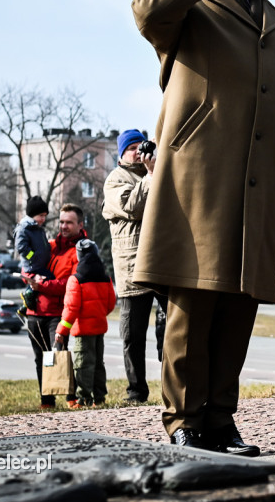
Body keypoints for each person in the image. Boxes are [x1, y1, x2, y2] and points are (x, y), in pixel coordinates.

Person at [131, 0, 275, 455]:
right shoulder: (188, 10)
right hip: (197, 187)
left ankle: (221, 419)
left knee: (238, 308)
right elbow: (144, 7)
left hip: (258, 190)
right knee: (191, 307)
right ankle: (183, 420)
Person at [102, 128, 166, 403]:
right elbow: (131, 206)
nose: (139, 152)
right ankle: (136, 391)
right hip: (133, 268)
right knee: (133, 335)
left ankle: (172, 388)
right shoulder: (116, 179)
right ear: (121, 155)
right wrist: (151, 175)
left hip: (164, 262)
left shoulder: (160, 171)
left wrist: (156, 169)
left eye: (143, 147)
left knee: (170, 331)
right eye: (133, 148)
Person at [22, 204, 86, 408]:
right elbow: (28, 267)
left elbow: (71, 283)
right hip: (35, 312)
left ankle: (71, 398)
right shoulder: (47, 246)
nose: (64, 226)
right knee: (40, 359)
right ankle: (46, 401)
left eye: (69, 222)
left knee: (59, 355)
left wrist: (42, 285)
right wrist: (31, 278)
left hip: (58, 313)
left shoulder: (81, 250)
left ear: (80, 224)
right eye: (61, 222)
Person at [55, 239, 116, 407]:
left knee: (83, 364)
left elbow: (71, 309)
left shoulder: (76, 279)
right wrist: (98, 315)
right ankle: (99, 398)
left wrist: (61, 330)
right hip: (99, 328)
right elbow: (111, 304)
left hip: (83, 330)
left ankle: (83, 399)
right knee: (98, 364)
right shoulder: (105, 278)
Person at [15, 196, 51, 277]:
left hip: (40, 266)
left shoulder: (39, 228)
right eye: (41, 215)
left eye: (45, 216)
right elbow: (22, 248)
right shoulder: (24, 228)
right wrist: (33, 257)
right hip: (33, 268)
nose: (43, 219)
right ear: (32, 215)